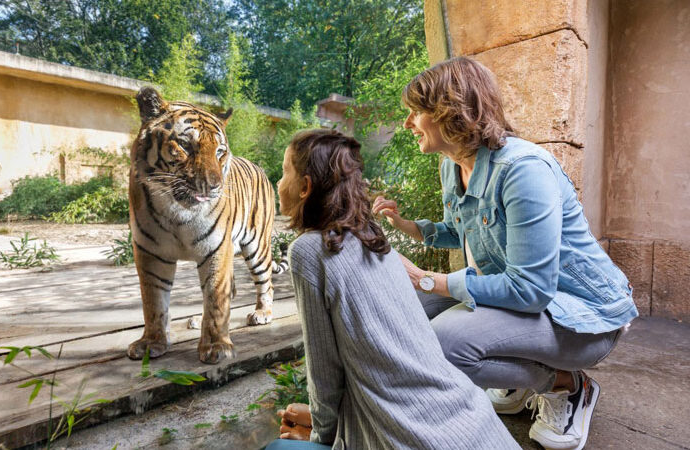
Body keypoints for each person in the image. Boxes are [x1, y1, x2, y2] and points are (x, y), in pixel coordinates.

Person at [371, 57, 637, 450]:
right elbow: (462, 231)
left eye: (416, 112)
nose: (408, 123)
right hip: (531, 305)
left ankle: (567, 385)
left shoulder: (522, 169)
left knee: (447, 341)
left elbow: (530, 289)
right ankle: (515, 375)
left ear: (449, 110)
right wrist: (408, 227)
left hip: (584, 317)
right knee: (396, 304)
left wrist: (429, 280)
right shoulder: (452, 166)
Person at [265, 129, 520, 449]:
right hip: (477, 423)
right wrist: (318, 420)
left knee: (278, 447)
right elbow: (383, 367)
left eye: (285, 171)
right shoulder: (373, 238)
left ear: (305, 187)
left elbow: (326, 376)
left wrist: (322, 439)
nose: (278, 182)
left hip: (412, 439)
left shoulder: (310, 251)